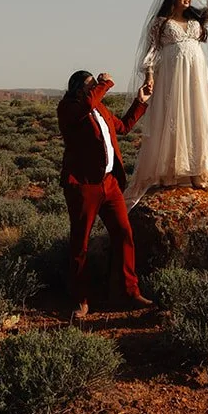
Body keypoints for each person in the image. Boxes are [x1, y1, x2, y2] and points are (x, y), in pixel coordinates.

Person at [125, 0, 208, 206]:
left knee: (196, 116)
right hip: (172, 77)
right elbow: (151, 52)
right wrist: (149, 77)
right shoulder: (160, 23)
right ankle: (172, 172)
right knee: (174, 118)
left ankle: (198, 171)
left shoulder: (198, 18)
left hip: (195, 77)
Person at [55, 69, 155, 320]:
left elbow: (123, 127)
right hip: (83, 185)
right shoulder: (68, 109)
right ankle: (81, 300)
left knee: (124, 233)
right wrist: (105, 83)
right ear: (77, 89)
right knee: (81, 243)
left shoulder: (99, 109)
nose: (93, 91)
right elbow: (88, 101)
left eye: (94, 87)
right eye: (89, 86)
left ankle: (130, 291)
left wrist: (140, 101)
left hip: (109, 184)